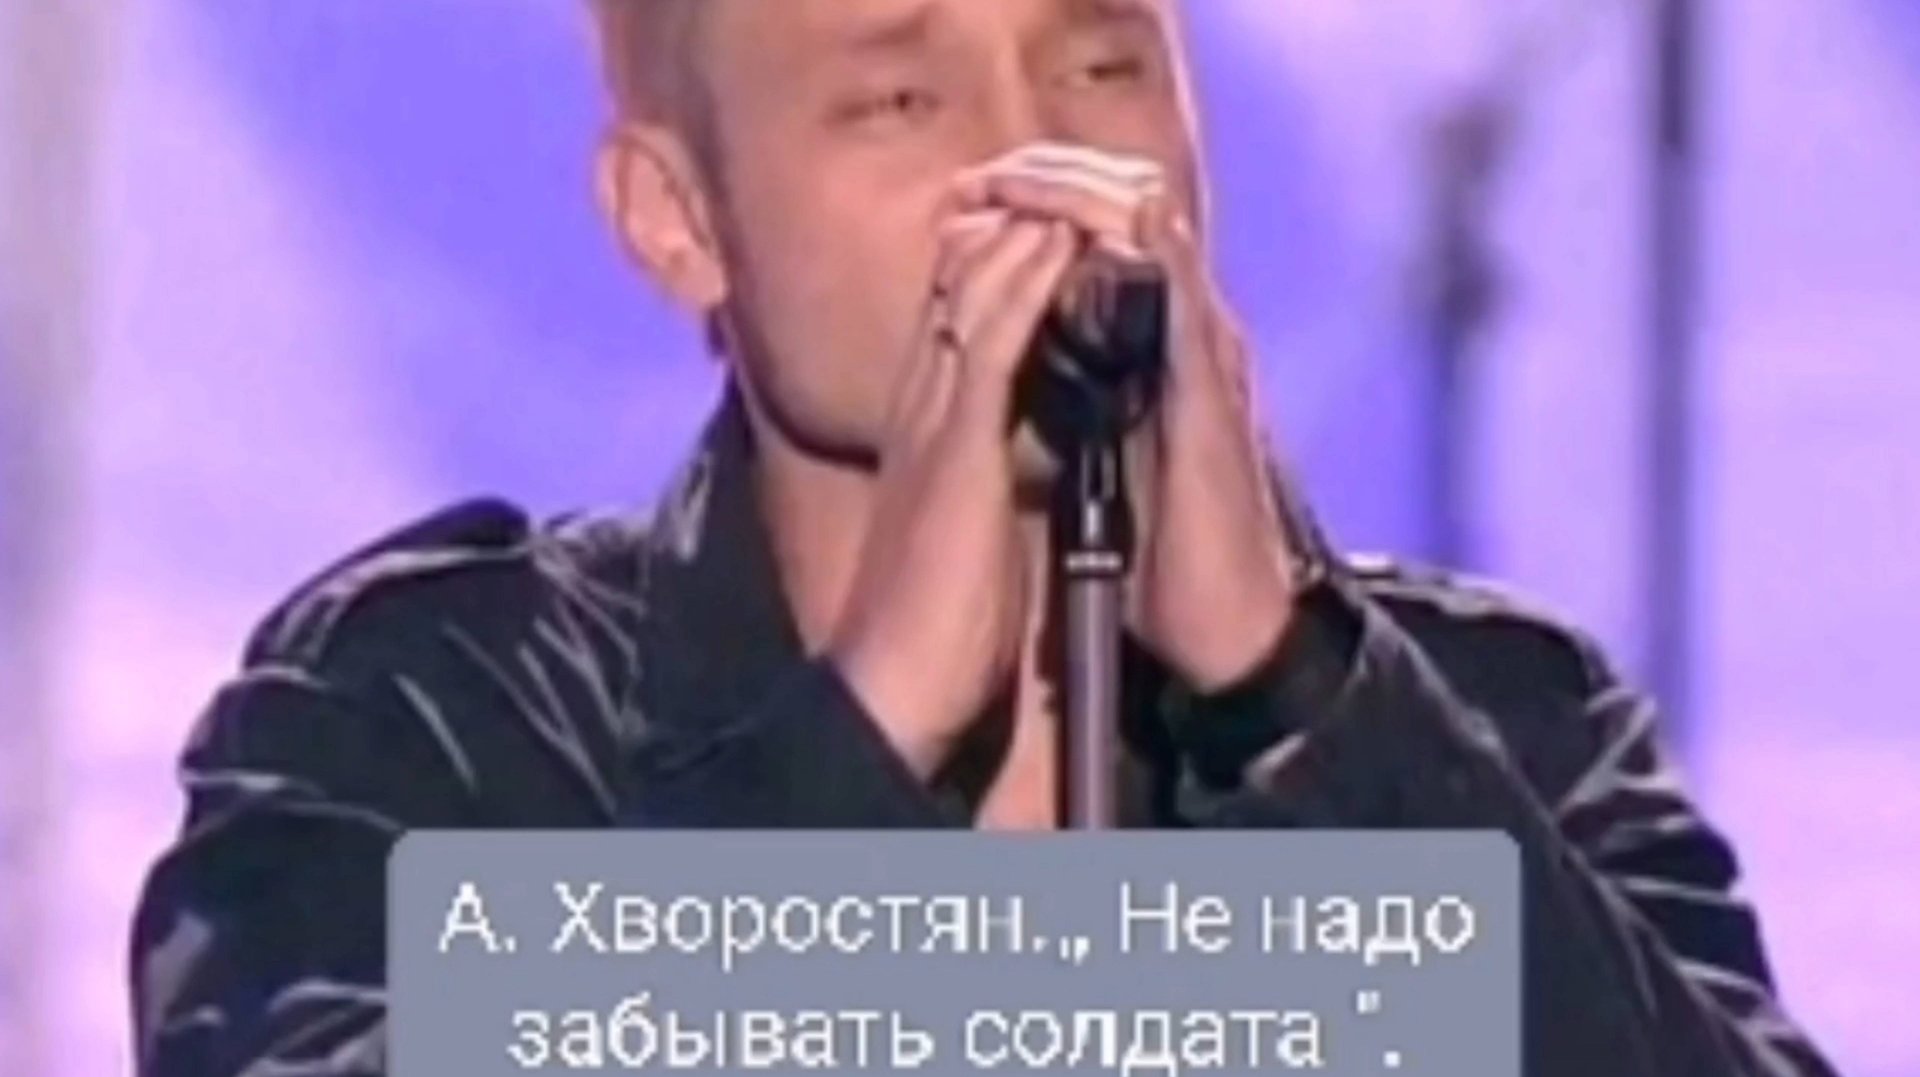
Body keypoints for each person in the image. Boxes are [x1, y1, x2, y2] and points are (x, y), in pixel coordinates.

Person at [129, 1, 1836, 1074]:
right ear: (678, 218)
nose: (1043, 163)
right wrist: (858, 740)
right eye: (896, 100)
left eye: (1101, 65)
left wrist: (1298, 694)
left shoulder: (1495, 724)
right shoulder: (441, 715)